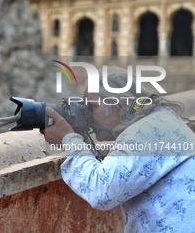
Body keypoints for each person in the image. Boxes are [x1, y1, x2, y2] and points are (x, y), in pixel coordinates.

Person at [40, 66, 195, 232]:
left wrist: (68, 139)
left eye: (92, 107)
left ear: (118, 104)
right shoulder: (158, 120)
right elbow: (123, 184)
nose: (87, 115)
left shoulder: (143, 134)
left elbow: (102, 191)